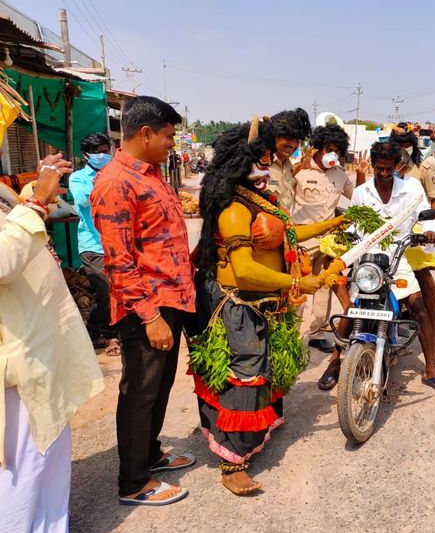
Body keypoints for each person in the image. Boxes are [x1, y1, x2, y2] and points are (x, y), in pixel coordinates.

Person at [192, 116, 347, 495]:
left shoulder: (258, 198)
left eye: (265, 162)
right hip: (239, 305)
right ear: (236, 164)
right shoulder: (233, 209)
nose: (264, 169)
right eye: (257, 162)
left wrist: (329, 226)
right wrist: (298, 282)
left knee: (265, 368)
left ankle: (262, 426)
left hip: (265, 303)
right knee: (245, 373)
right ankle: (233, 462)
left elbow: (289, 233)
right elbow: (243, 271)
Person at [91, 96, 196, 506]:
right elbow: (118, 260)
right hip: (144, 307)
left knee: (159, 387)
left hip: (169, 300)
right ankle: (133, 482)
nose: (173, 143)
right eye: (169, 136)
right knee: (139, 393)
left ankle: (150, 456)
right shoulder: (116, 182)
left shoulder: (151, 174)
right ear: (146, 133)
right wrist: (150, 315)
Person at [0, 154, 104, 533]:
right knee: (22, 468)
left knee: (47, 459)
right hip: (15, 358)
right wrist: (36, 203)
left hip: (33, 346)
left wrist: (32, 193)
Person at [347, 141, 435, 393]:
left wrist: (429, 232)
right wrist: (347, 237)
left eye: (388, 169)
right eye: (378, 169)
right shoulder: (361, 192)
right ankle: (335, 363)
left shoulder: (412, 188)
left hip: (398, 258)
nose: (383, 174)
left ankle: (430, 370)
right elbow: (352, 224)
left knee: (419, 307)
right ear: (373, 166)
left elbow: (426, 215)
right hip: (368, 260)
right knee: (353, 309)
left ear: (397, 167)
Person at [290, 124, 367, 356]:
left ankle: (316, 333)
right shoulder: (300, 170)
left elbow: (360, 199)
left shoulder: (339, 174)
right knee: (298, 289)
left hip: (328, 241)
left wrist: (361, 174)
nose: (331, 154)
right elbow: (280, 195)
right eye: (328, 149)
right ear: (318, 147)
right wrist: (294, 171)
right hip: (302, 239)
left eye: (336, 150)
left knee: (324, 286)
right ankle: (290, 336)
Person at [390, 123, 435, 365]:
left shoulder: (424, 167)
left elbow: (434, 203)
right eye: (399, 146)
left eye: (407, 145)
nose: (404, 149)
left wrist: (430, 236)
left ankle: (433, 344)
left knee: (425, 282)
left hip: (416, 233)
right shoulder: (385, 166)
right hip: (390, 235)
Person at [69, 132, 120, 356]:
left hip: (118, 242)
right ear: (86, 154)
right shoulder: (78, 178)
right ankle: (103, 333)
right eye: (97, 152)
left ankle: (109, 330)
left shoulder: (115, 172)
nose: (102, 155)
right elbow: (82, 200)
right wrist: (107, 183)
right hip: (94, 244)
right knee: (106, 288)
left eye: (104, 151)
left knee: (119, 289)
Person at [264, 108, 313, 213]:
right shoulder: (260, 164)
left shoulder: (287, 167)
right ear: (274, 136)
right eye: (288, 137)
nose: (293, 144)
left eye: (297, 140)